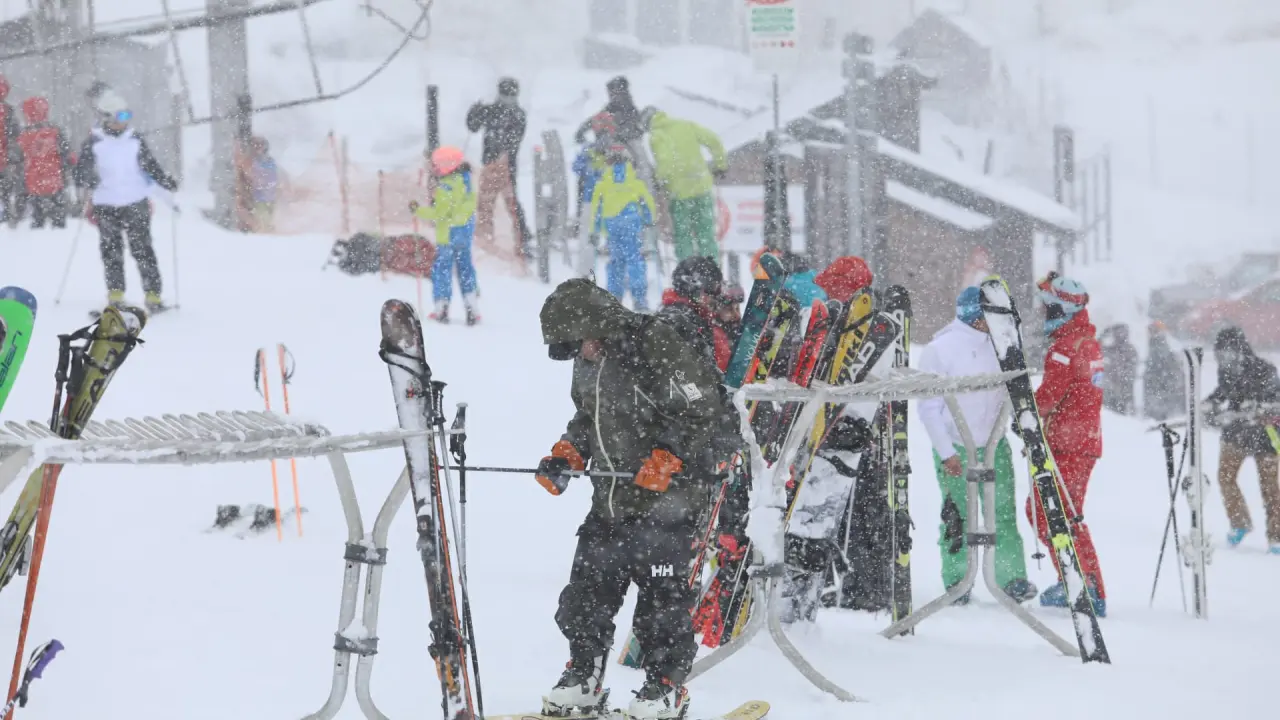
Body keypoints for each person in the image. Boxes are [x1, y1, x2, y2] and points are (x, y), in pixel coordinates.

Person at [536, 278, 725, 720]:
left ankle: (665, 688)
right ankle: (584, 676)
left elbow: (702, 407)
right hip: (610, 501)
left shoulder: (654, 343)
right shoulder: (589, 361)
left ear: (596, 325)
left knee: (662, 605)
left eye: (579, 343)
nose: (579, 354)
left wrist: (669, 454)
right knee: (586, 593)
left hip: (668, 503)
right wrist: (568, 452)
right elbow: (588, 416)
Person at [918, 287, 1038, 605]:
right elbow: (928, 408)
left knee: (1002, 512)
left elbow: (1016, 390)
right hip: (957, 444)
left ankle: (1011, 577)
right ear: (976, 314)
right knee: (958, 514)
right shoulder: (940, 349)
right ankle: (958, 579)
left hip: (994, 443)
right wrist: (946, 452)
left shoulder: (1002, 345)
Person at [1029, 273, 1106, 615]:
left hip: (1068, 443)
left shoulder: (1064, 348)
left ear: (1060, 309)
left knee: (1055, 513)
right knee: (1058, 512)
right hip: (1081, 440)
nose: (1043, 313)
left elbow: (1048, 397)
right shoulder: (1086, 341)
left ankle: (1084, 584)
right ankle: (1075, 578)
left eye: (1047, 307)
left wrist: (1024, 413)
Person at [75, 91, 178, 312]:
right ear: (107, 118)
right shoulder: (94, 142)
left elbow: (150, 165)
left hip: (135, 201)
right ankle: (116, 295)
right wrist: (88, 177)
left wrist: (165, 180)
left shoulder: (135, 140)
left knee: (143, 249)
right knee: (111, 251)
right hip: (106, 203)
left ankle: (153, 296)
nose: (124, 121)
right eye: (120, 116)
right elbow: (80, 171)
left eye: (127, 116)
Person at [1204, 326, 1280, 554]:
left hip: (1265, 434)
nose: (1224, 359)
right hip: (1236, 433)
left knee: (1270, 487)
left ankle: (1276, 536)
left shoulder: (1265, 370)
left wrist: (1260, 408)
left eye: (1227, 353)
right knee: (1225, 477)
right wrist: (1210, 404)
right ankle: (1239, 523)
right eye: (1220, 354)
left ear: (1239, 350)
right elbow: (1222, 391)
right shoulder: (1226, 371)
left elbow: (1276, 399)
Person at [643, 109, 726, 262]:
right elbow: (713, 140)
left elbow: (665, 162)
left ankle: (687, 270)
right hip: (702, 187)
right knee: (706, 234)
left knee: (683, 236)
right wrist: (720, 164)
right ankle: (712, 268)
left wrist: (658, 180)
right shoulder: (685, 125)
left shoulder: (656, 136)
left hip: (679, 193)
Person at [410, 146, 479, 325]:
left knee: (442, 269)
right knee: (465, 267)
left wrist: (418, 211)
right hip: (464, 234)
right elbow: (469, 206)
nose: (434, 169)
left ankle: (442, 306)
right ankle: (471, 305)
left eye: (436, 165)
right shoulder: (466, 182)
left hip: (447, 235)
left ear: (447, 165)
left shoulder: (446, 186)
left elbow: (439, 213)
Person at [465, 77, 530, 257]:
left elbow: (514, 140)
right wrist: (474, 112)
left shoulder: (518, 114)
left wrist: (502, 155)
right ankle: (486, 237)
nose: (507, 99)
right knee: (487, 203)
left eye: (510, 95)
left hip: (507, 165)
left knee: (510, 203)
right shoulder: (493, 110)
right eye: (505, 94)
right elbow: (473, 126)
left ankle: (522, 238)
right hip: (490, 164)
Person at [590, 142, 656, 311]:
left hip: (612, 226)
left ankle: (615, 297)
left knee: (615, 262)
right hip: (632, 223)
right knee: (635, 261)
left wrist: (594, 230)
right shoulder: (635, 182)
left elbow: (596, 208)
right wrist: (650, 220)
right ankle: (639, 299)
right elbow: (647, 203)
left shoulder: (603, 183)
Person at [15, 96, 71, 229]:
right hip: (54, 176)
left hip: (33, 178)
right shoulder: (55, 130)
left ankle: (38, 225)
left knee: (37, 213)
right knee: (58, 211)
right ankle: (58, 227)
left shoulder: (23, 134)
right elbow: (65, 153)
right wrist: (65, 167)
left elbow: (18, 157)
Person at [570, 114, 613, 277]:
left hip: (592, 199)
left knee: (588, 237)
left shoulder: (590, 149)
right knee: (613, 237)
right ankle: (620, 277)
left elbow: (577, 167)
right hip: (610, 200)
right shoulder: (616, 149)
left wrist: (591, 172)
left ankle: (585, 272)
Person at [1143, 321, 1184, 421]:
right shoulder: (1154, 342)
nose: (1151, 333)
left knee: (1161, 403)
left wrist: (1153, 372)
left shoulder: (1159, 343)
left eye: (1154, 331)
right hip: (1160, 378)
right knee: (1159, 402)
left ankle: (1160, 418)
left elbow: (1160, 360)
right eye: (1150, 331)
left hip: (1161, 378)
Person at [1099, 323, 1138, 415]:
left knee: (1120, 414)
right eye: (1117, 332)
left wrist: (1123, 377)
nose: (1119, 335)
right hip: (1111, 388)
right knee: (1111, 413)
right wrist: (1102, 336)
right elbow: (1097, 347)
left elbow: (1131, 370)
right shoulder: (1111, 349)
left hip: (1122, 389)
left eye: (1121, 332)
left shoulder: (1130, 350)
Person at [246, 136, 279, 233]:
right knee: (263, 219)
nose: (258, 148)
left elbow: (273, 177)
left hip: (270, 196)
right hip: (259, 198)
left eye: (261, 145)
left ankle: (267, 231)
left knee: (268, 218)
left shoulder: (270, 161)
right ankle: (265, 232)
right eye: (256, 145)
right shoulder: (252, 161)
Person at [0, 75, 21, 226]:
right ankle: (6, 213)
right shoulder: (8, 110)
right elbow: (14, 135)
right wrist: (12, 158)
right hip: (3, 157)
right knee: (5, 189)